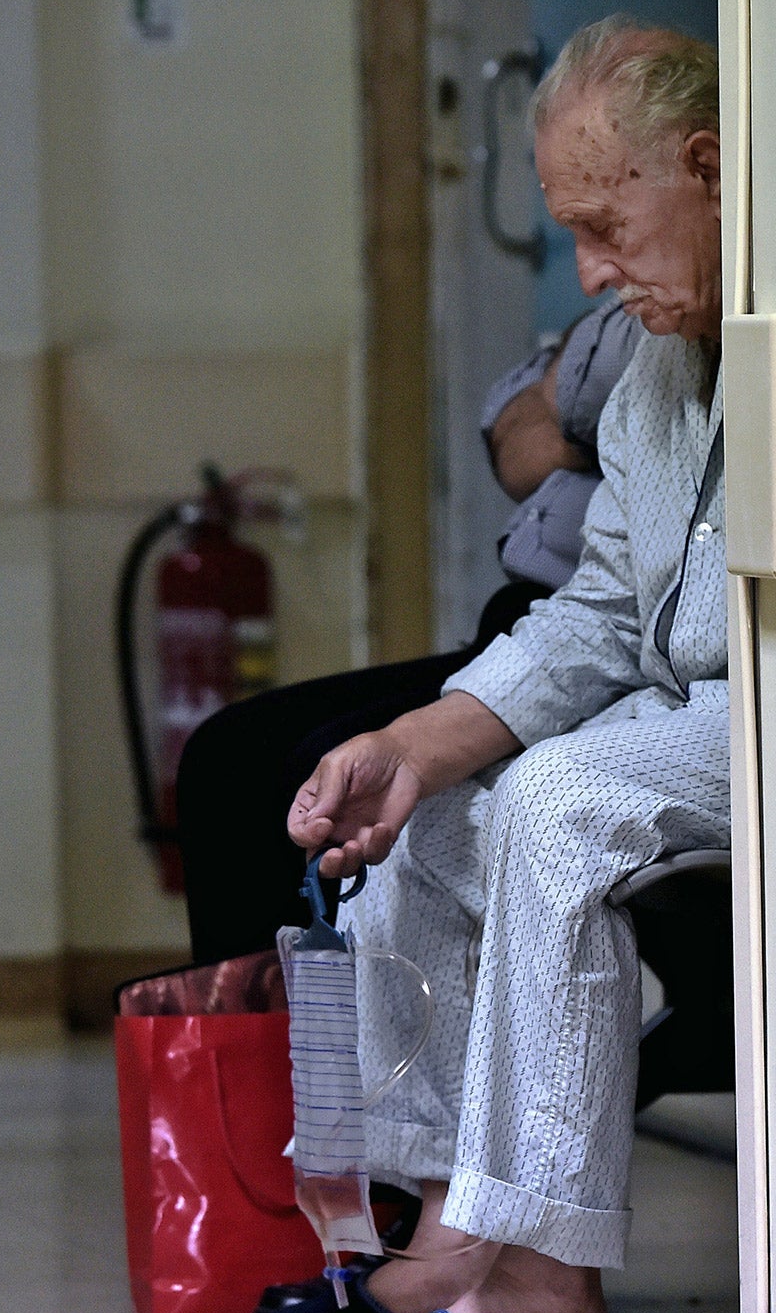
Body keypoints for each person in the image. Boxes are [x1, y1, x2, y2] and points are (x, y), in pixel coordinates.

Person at [230, 15, 727, 1313]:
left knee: (557, 808)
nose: (591, 272)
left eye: (607, 225)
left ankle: (544, 1295)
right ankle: (453, 1236)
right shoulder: (658, 374)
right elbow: (601, 616)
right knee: (431, 820)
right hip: (674, 700)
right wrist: (410, 748)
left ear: (704, 167)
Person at [173, 291, 643, 966]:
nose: (592, 274)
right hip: (534, 616)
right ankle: (259, 1058)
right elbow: (513, 439)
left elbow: (555, 424)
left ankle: (333, 1055)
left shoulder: (673, 323)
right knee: (224, 755)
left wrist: (571, 408)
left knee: (326, 787)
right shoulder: (625, 306)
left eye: (603, 228)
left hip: (603, 639)